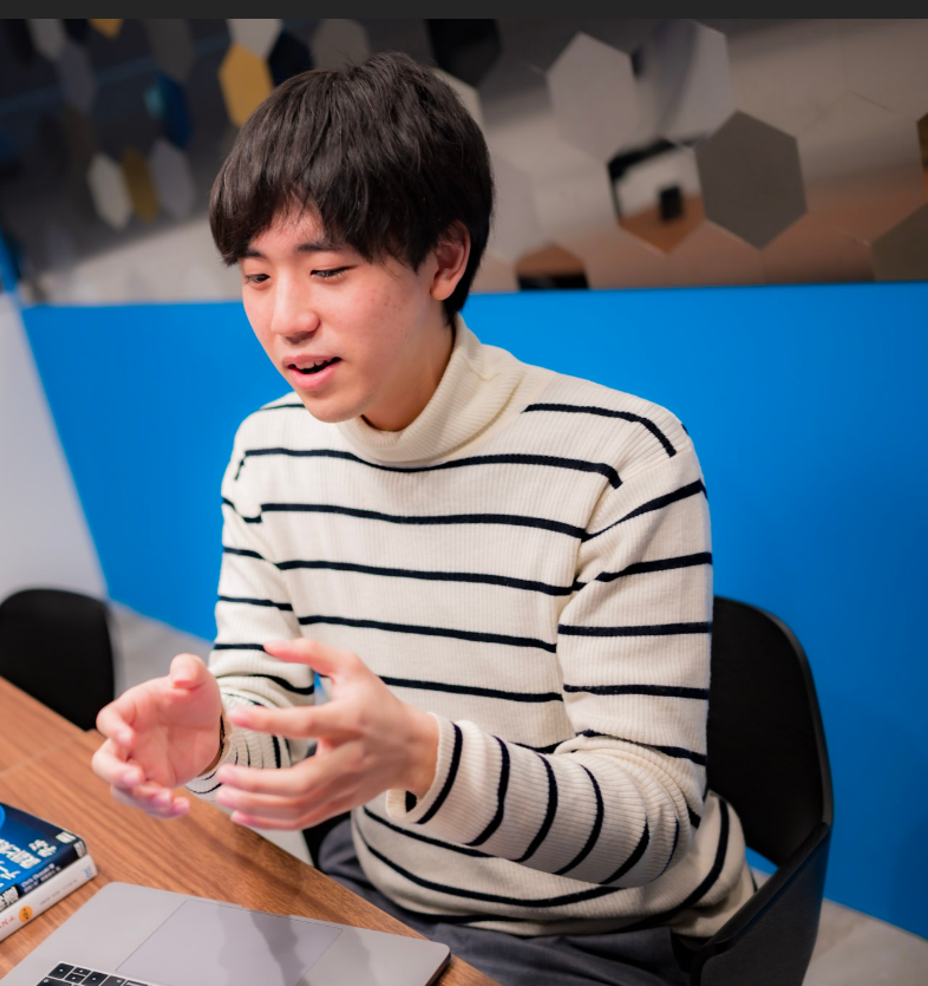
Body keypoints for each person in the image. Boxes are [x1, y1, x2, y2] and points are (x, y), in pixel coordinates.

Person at [90, 52, 752, 986]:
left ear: (444, 260)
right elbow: (264, 696)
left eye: (327, 269)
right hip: (386, 886)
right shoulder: (268, 453)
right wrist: (215, 741)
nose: (286, 319)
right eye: (257, 276)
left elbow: (652, 823)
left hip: (592, 929)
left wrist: (423, 758)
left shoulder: (621, 461)